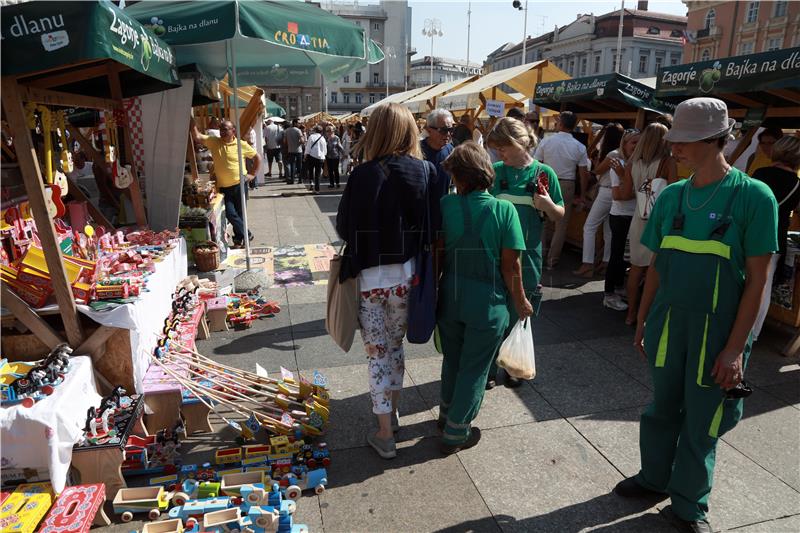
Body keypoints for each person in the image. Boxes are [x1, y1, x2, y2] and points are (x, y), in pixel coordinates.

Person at [614, 98, 777, 533]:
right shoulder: (671, 198)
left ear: (715, 141)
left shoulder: (755, 197)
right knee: (660, 408)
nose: (675, 149)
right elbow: (657, 267)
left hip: (718, 330)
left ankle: (688, 506)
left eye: (683, 142)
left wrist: (736, 349)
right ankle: (653, 479)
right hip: (669, 323)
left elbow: (758, 283)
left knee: (703, 421)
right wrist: (642, 317)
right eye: (674, 141)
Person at [335, 103, 441, 460]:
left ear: (375, 131)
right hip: (408, 277)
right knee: (395, 347)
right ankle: (391, 415)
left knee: (377, 353)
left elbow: (344, 227)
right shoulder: (426, 171)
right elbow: (433, 225)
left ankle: (384, 432)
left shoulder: (361, 175)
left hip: (369, 278)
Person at [435, 141, 533, 453]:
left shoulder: (445, 206)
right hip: (488, 302)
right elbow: (511, 266)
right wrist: (521, 301)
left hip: (449, 296)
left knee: (453, 358)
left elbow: (436, 254)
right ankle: (456, 432)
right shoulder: (505, 210)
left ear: (460, 177)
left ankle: (446, 413)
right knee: (475, 366)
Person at [485, 117, 565, 389]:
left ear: (519, 143)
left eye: (503, 148)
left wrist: (548, 204)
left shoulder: (544, 174)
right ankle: (490, 367)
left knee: (520, 309)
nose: (499, 154)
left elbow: (558, 215)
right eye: (496, 149)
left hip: (528, 257)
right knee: (495, 313)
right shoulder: (495, 171)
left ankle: (513, 365)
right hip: (495, 255)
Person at [619, 122, 677, 325]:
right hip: (660, 221)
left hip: (638, 219)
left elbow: (626, 194)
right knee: (656, 270)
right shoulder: (668, 163)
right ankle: (649, 315)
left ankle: (631, 314)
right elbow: (674, 195)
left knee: (635, 269)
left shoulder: (632, 164)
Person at [751, 135, 800, 340]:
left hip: (750, 233)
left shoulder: (760, 173)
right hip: (775, 238)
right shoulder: (797, 184)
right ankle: (752, 334)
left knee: (742, 282)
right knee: (762, 286)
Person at [190, 118, 261, 248]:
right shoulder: (214, 142)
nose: (222, 132)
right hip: (223, 187)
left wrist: (252, 174)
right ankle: (247, 234)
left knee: (240, 214)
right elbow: (197, 136)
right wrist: (191, 119)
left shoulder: (241, 144)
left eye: (225, 129)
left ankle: (239, 240)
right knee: (230, 213)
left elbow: (257, 157)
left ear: (233, 131)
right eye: (220, 129)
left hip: (240, 184)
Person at [534, 111, 591, 270]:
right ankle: (552, 261)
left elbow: (537, 165)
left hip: (546, 180)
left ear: (560, 124)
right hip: (567, 184)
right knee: (561, 225)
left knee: (542, 221)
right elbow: (583, 174)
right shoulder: (579, 146)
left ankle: (540, 256)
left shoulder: (546, 141)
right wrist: (583, 194)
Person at [574, 123, 624, 278]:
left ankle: (587, 264)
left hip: (605, 192)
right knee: (609, 230)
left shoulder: (613, 154)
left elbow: (597, 172)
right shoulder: (624, 153)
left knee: (589, 227)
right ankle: (605, 263)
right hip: (616, 192)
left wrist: (592, 169)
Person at [602, 129, 641, 311]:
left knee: (625, 257)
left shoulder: (638, 164)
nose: (636, 146)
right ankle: (609, 294)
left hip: (633, 216)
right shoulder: (618, 163)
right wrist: (639, 191)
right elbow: (618, 195)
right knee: (616, 256)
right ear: (624, 144)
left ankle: (618, 288)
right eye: (633, 142)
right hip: (620, 215)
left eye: (639, 142)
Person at [421, 108, 455, 228]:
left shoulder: (451, 150)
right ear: (429, 130)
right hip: (422, 216)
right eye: (444, 130)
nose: (448, 134)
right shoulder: (417, 151)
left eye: (451, 130)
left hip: (444, 214)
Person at [304, 125, 327, 193]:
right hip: (320, 157)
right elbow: (325, 149)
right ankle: (317, 189)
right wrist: (324, 156)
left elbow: (308, 147)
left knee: (311, 170)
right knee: (318, 173)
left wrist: (305, 154)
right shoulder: (323, 138)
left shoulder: (311, 136)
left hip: (312, 156)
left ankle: (311, 182)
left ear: (315, 130)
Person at [284, 119, 304, 184]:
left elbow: (285, 141)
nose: (299, 124)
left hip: (290, 150)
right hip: (298, 150)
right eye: (298, 123)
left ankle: (292, 180)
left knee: (292, 165)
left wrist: (290, 144)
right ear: (295, 123)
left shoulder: (287, 131)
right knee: (299, 165)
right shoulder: (298, 130)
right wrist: (300, 143)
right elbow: (302, 141)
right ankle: (300, 179)